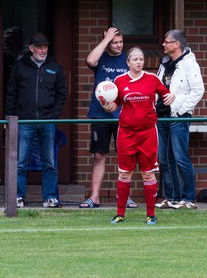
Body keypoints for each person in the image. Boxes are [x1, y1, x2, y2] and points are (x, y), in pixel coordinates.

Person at [101, 47, 175, 224]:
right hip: (126, 133)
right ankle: (120, 214)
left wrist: (171, 96)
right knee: (124, 174)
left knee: (148, 174)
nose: (139, 62)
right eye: (135, 59)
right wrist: (107, 106)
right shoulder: (119, 81)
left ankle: (151, 215)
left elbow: (167, 94)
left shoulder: (152, 79)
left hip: (148, 133)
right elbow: (114, 105)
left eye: (141, 59)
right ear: (128, 62)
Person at [5, 32, 67, 208]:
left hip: (48, 121)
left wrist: (54, 114)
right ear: (31, 48)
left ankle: (50, 197)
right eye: (39, 47)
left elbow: (62, 94)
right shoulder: (19, 67)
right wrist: (10, 118)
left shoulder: (55, 67)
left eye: (45, 46)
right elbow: (11, 94)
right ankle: (17, 197)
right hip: (24, 122)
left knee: (49, 162)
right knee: (20, 162)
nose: (43, 50)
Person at [79, 27, 138, 209]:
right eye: (115, 42)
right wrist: (106, 40)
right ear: (107, 42)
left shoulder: (128, 59)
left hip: (124, 115)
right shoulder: (101, 58)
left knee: (125, 156)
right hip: (100, 114)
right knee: (99, 155)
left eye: (120, 42)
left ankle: (125, 197)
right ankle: (94, 197)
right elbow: (90, 60)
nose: (119, 45)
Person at [155, 30, 205, 210]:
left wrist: (181, 106)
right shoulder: (165, 62)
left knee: (180, 157)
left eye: (167, 42)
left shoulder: (190, 64)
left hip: (178, 116)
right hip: (162, 116)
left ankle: (189, 199)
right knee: (164, 158)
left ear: (177, 44)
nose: (163, 44)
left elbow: (198, 91)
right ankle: (173, 198)